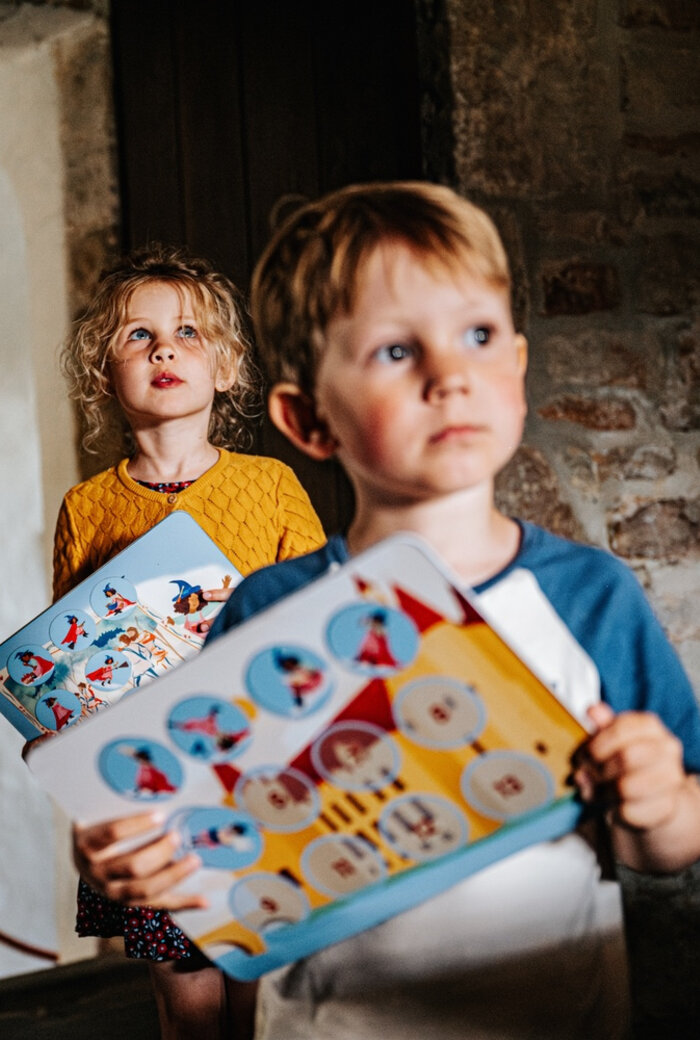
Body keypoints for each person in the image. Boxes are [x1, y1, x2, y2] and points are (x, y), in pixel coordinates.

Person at [71, 185, 700, 1039]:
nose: (451, 374)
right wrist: (128, 858)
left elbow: (667, 843)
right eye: (396, 351)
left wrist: (657, 808)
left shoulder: (591, 595)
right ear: (308, 418)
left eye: (477, 336)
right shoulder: (271, 607)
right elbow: (206, 838)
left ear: (515, 368)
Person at [53, 244, 325, 1039]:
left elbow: (308, 625)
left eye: (187, 333)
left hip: (257, 769)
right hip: (150, 788)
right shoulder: (87, 508)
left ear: (228, 369)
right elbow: (75, 662)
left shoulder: (271, 487)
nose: (163, 348)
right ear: (106, 374)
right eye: (136, 336)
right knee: (189, 1004)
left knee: (257, 997)